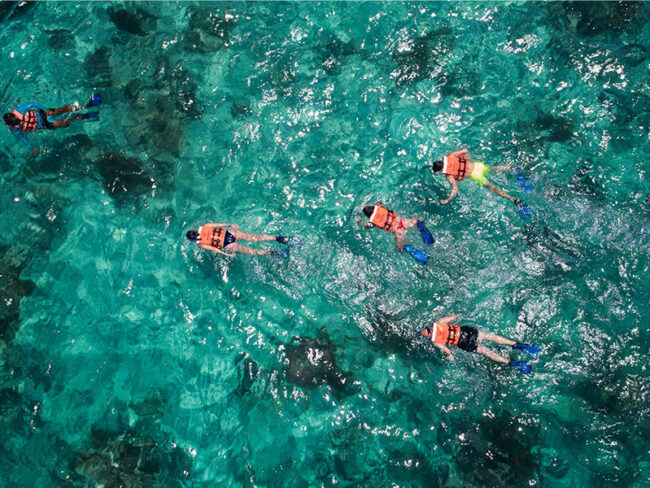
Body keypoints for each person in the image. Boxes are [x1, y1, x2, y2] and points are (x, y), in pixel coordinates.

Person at [419, 313, 541, 374]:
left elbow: (448, 351)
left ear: (429, 335)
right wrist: (460, 315)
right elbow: (454, 316)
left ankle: (510, 362)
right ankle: (516, 344)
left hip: (463, 343)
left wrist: (450, 357)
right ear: (430, 327)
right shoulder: (439, 322)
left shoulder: (435, 341)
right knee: (490, 337)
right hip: (466, 332)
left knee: (486, 352)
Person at [3, 94, 101, 154]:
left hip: (42, 114)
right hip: (43, 125)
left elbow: (33, 103)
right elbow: (22, 138)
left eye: (18, 122)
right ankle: (80, 117)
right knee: (62, 124)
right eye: (16, 125)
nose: (19, 124)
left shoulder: (20, 111)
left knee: (61, 110)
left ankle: (85, 106)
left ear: (15, 116)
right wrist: (31, 146)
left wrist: (46, 110)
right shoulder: (15, 131)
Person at [432, 148, 526, 208]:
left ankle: (514, 199)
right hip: (477, 166)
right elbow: (465, 151)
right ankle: (512, 169)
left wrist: (447, 199)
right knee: (491, 169)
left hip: (476, 176)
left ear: (441, 170)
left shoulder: (448, 175)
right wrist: (470, 162)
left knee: (493, 188)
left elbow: (455, 190)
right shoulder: (450, 156)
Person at [186, 223, 301, 258]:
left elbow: (215, 249)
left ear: (194, 238)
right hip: (230, 233)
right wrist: (230, 224)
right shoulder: (205, 226)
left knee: (253, 251)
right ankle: (284, 240)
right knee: (256, 237)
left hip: (228, 245)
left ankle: (280, 253)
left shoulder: (201, 244)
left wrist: (227, 254)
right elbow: (220, 224)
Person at [357, 202, 433, 253]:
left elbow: (366, 227)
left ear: (368, 216)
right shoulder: (380, 206)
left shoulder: (373, 222)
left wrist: (360, 221)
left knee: (399, 249)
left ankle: (414, 251)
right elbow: (379, 203)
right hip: (403, 221)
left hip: (398, 232)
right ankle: (424, 230)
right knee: (417, 221)